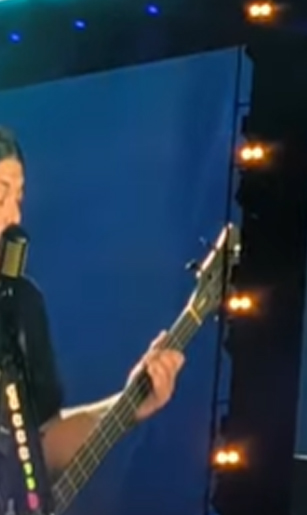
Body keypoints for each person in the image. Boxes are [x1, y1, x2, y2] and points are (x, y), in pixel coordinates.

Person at [0, 127, 185, 479]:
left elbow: (41, 447)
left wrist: (128, 405)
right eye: (0, 197)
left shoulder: (21, 305)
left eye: (18, 199)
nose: (14, 217)